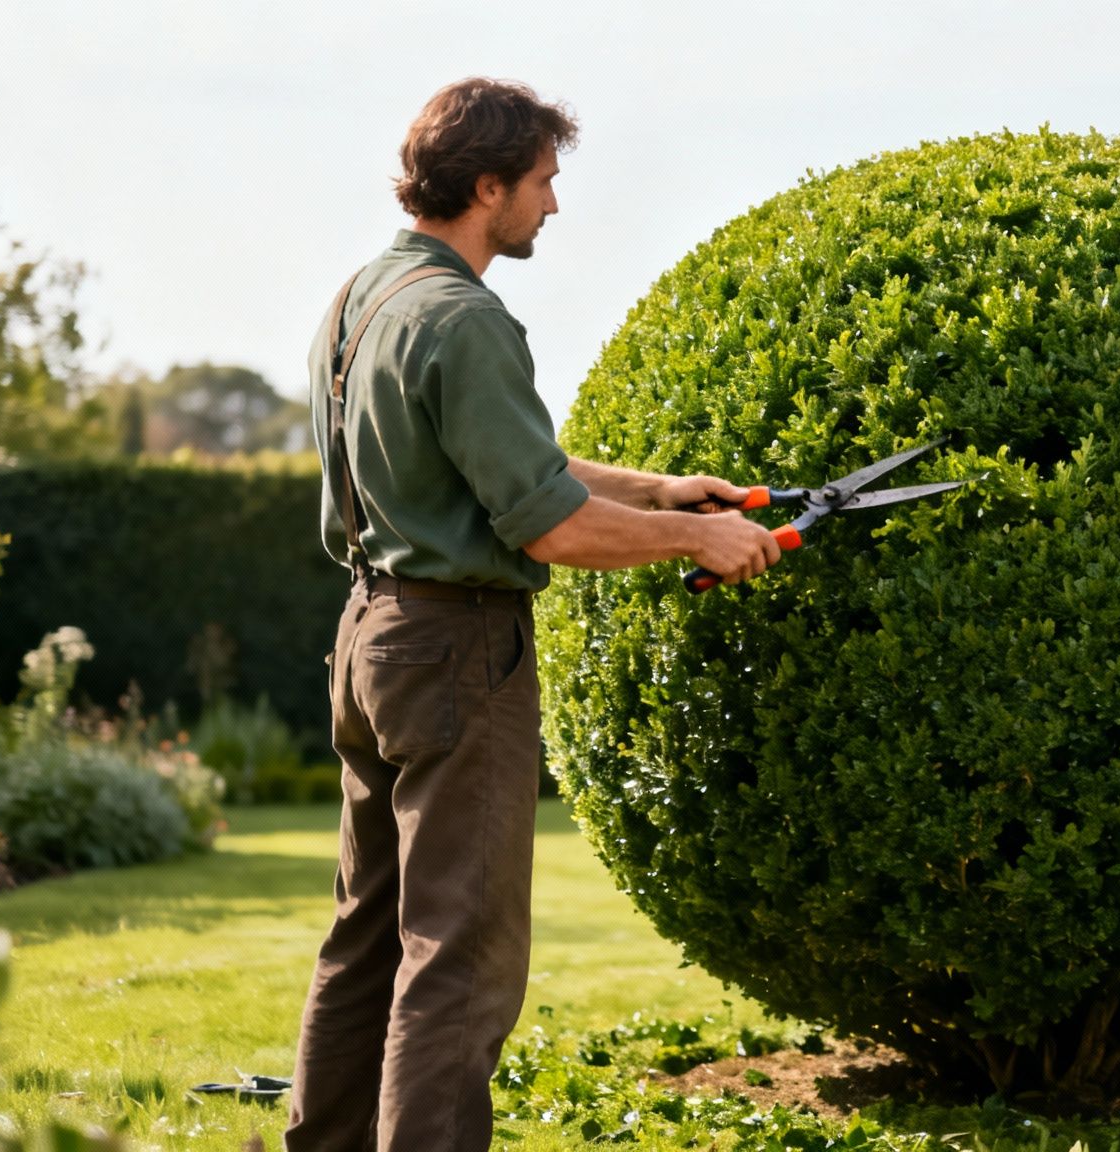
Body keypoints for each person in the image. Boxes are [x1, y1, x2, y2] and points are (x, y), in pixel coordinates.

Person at [285, 77, 781, 1152]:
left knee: (365, 939)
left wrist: (657, 491)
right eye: (543, 184)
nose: (552, 207)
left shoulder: (365, 297)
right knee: (460, 956)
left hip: (371, 638)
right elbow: (547, 526)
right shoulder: (466, 318)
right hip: (458, 656)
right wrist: (701, 538)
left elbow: (504, 466)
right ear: (487, 184)